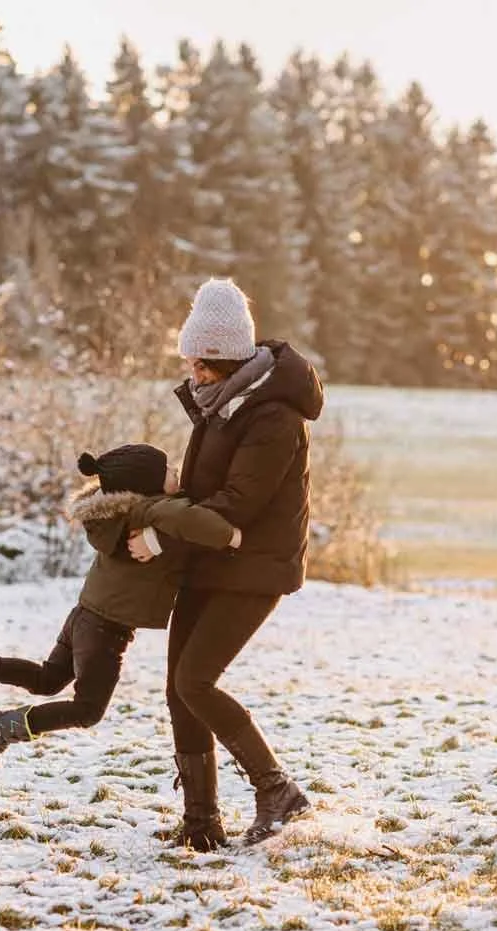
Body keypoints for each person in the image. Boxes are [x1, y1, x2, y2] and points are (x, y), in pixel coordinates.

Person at [132, 278, 325, 848]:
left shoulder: (274, 417)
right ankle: (201, 825)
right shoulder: (220, 404)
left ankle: (277, 789)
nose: (191, 372)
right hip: (210, 559)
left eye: (200, 362)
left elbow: (240, 502)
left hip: (254, 567)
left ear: (226, 358)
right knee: (179, 689)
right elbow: (203, 491)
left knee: (196, 680)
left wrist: (164, 537)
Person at [0, 444, 241, 777]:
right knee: (87, 710)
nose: (176, 471)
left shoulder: (119, 513)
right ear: (147, 482)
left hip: (85, 615)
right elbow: (198, 522)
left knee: (47, 679)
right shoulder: (155, 510)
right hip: (106, 630)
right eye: (168, 470)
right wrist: (231, 536)